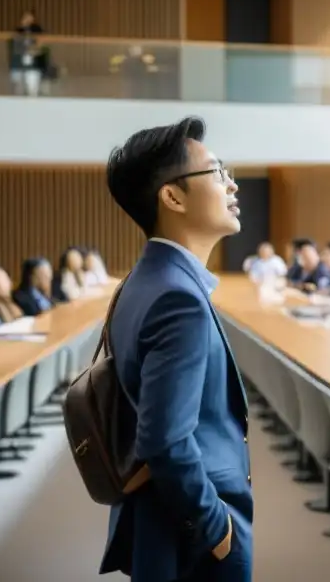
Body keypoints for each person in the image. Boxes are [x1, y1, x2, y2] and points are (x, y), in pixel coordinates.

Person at [101, 116, 251, 582]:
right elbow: (164, 439)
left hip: (159, 523)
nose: (232, 184)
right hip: (190, 537)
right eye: (217, 171)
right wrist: (216, 528)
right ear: (173, 196)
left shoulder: (143, 280)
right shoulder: (177, 298)